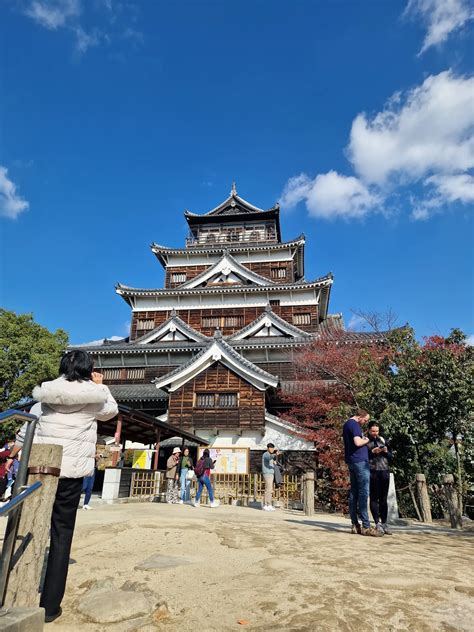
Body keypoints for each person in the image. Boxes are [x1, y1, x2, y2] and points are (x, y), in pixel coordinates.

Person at [6, 350, 118, 623]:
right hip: (71, 474)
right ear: (88, 369)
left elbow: (25, 429)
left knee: (28, 528)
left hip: (40, 471)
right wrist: (100, 384)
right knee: (61, 534)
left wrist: (12, 456)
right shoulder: (94, 397)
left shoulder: (45, 396)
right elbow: (111, 411)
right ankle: (50, 605)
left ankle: (12, 591)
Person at [342, 410, 382, 537]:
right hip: (360, 462)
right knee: (364, 493)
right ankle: (366, 526)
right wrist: (367, 439)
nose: (365, 422)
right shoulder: (354, 425)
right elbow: (357, 442)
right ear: (360, 416)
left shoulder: (346, 424)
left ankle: (355, 524)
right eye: (365, 420)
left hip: (351, 460)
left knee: (354, 492)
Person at [367, 422, 393, 535]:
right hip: (372, 471)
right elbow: (363, 457)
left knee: (383, 499)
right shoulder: (365, 441)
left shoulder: (383, 439)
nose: (375, 433)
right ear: (368, 430)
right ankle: (377, 523)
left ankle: (384, 523)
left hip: (384, 471)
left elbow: (391, 457)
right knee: (374, 498)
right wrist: (372, 452)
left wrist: (386, 452)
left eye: (377, 431)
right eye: (373, 431)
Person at [262, 443, 278, 511]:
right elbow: (269, 457)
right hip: (267, 474)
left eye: (273, 448)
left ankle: (269, 504)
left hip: (271, 474)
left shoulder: (270, 455)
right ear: (268, 448)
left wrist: (274, 462)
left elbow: (271, 459)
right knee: (268, 490)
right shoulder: (266, 454)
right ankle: (265, 504)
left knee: (270, 490)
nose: (272, 449)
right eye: (271, 448)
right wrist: (275, 454)